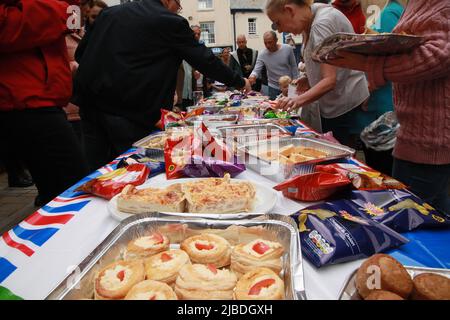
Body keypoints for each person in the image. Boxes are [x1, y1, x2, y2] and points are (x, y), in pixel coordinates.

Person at [74, 0, 251, 171]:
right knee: (134, 172)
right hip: (130, 111)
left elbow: (81, 54)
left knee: (96, 175)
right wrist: (239, 81)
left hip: (91, 106)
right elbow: (206, 60)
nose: (177, 10)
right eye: (178, 5)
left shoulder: (109, 14)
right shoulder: (170, 21)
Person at [324, 0, 450, 215]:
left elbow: (438, 55)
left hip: (430, 146)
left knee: (416, 220)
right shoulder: (415, 5)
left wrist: (367, 64)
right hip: (413, 136)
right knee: (416, 215)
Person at [0, 0, 89, 207]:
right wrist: (61, 9)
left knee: (62, 191)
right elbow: (7, 26)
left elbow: (73, 16)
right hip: (25, 100)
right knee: (75, 192)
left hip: (40, 98)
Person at [267, 0, 369, 147]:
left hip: (344, 105)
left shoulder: (321, 24)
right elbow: (330, 63)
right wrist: (308, 78)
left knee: (341, 157)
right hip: (336, 104)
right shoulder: (310, 18)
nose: (280, 30)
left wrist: (296, 100)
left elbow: (330, 80)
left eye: (278, 23)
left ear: (289, 10)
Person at [356, 0, 406, 175]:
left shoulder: (388, 13)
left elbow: (381, 55)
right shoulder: (386, 12)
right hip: (384, 106)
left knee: (380, 173)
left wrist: (367, 87)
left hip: (381, 109)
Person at [249, 31, 299, 100]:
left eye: (270, 42)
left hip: (289, 86)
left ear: (276, 40)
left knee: (291, 107)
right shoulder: (262, 54)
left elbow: (294, 67)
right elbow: (256, 70)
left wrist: (295, 81)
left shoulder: (287, 49)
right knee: (273, 108)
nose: (267, 45)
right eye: (265, 43)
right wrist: (252, 76)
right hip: (273, 87)